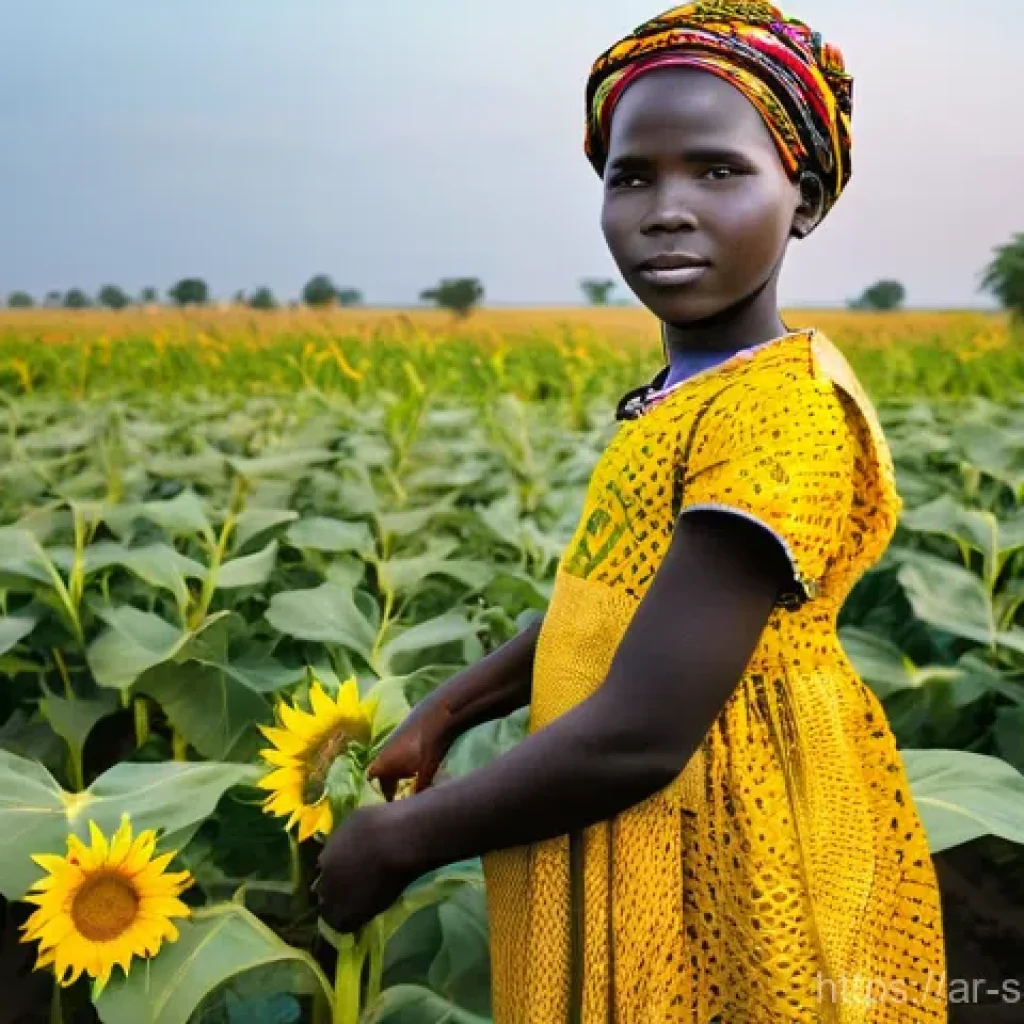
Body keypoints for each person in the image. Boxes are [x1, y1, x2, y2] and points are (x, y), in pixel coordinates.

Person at [316, 2, 947, 1020]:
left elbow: (644, 731)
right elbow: (610, 602)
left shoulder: (777, 412)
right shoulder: (688, 391)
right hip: (651, 804)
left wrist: (399, 840)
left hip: (730, 829)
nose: (666, 207)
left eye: (717, 170)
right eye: (631, 176)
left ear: (807, 198)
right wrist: (450, 707)